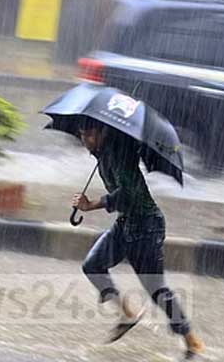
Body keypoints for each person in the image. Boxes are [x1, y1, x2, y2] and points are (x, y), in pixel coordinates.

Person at [71, 121, 206, 360]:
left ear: (102, 133)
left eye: (90, 135)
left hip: (146, 226)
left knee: (156, 289)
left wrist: (91, 205)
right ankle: (128, 314)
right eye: (82, 135)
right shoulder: (104, 155)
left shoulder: (118, 154)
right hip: (126, 225)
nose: (86, 141)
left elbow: (128, 194)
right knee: (92, 265)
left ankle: (192, 341)